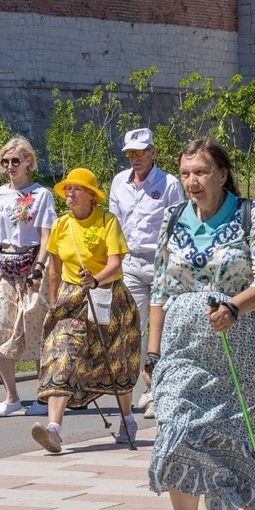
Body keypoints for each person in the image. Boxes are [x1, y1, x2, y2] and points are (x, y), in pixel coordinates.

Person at [144, 139, 255, 510]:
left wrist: (233, 307)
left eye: (201, 173)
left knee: (248, 434)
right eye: (186, 173)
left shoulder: (252, 215)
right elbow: (161, 290)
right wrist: (152, 353)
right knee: (173, 428)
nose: (192, 182)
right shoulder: (171, 218)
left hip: (242, 347)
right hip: (183, 351)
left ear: (222, 174)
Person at [33, 166, 140, 452]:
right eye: (67, 188)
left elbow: (115, 263)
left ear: (92, 196)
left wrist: (96, 280)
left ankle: (127, 418)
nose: (70, 193)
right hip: (72, 298)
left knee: (116, 358)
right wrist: (55, 304)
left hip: (109, 295)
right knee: (62, 353)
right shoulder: (61, 225)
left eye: (76, 189)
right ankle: (54, 429)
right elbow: (54, 269)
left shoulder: (107, 221)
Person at [0, 136, 57, 418]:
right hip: (4, 266)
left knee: (35, 329)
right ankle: (11, 396)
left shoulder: (41, 194)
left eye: (15, 161)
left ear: (28, 162)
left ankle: (43, 395)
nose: (10, 167)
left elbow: (46, 234)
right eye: (5, 161)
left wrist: (40, 266)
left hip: (31, 266)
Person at [107, 127, 186, 383]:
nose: (134, 158)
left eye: (140, 152)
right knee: (133, 328)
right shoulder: (119, 182)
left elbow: (179, 224)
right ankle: (146, 381)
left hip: (160, 263)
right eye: (130, 153)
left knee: (161, 329)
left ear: (152, 152)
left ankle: (161, 386)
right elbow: (113, 224)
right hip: (130, 262)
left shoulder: (169, 183)